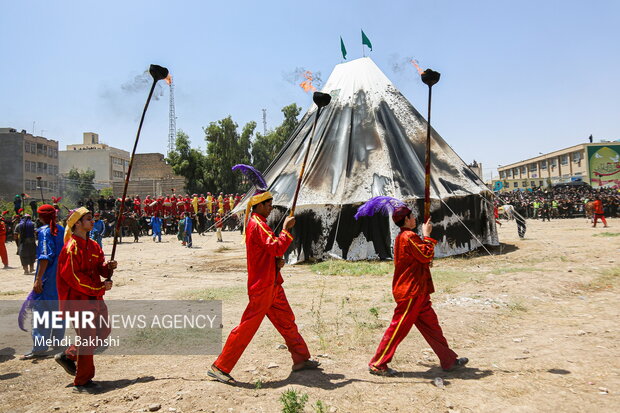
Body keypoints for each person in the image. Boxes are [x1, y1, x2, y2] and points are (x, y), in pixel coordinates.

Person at [208, 190, 319, 385]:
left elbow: (269, 252)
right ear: (259, 206)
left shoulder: (260, 224)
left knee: (287, 321)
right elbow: (276, 246)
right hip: (263, 286)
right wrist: (286, 229)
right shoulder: (257, 224)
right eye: (268, 205)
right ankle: (220, 366)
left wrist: (277, 261)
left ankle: (301, 358)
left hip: (272, 283)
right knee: (247, 327)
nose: (270, 209)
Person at [368, 205, 467, 376]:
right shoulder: (408, 236)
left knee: (433, 328)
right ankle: (378, 363)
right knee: (397, 329)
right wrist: (427, 235)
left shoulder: (405, 236)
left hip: (419, 291)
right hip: (410, 292)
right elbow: (426, 256)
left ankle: (448, 360)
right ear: (406, 220)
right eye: (412, 216)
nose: (415, 218)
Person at [54, 207, 116, 393]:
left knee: (104, 330)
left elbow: (99, 268)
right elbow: (74, 277)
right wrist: (99, 287)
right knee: (88, 339)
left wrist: (108, 268)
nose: (93, 221)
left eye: (92, 219)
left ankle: (69, 355)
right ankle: (82, 382)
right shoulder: (71, 248)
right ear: (77, 224)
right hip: (79, 300)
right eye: (88, 219)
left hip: (95, 298)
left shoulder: (94, 245)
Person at [20, 205, 66, 360]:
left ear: (40, 217)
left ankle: (39, 347)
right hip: (61, 277)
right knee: (59, 309)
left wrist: (39, 278)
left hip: (48, 278)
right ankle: (58, 342)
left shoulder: (45, 232)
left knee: (42, 312)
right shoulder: (62, 230)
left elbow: (45, 256)